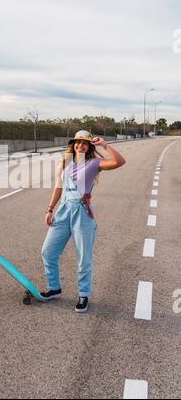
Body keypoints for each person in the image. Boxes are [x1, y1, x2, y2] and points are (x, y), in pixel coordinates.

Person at [40, 130, 126, 312]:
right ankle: (54, 287)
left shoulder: (95, 163)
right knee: (48, 251)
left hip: (82, 212)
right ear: (73, 144)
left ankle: (83, 295)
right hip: (63, 210)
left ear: (89, 147)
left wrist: (104, 145)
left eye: (85, 143)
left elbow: (120, 162)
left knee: (83, 258)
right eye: (78, 142)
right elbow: (58, 187)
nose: (80, 145)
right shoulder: (66, 162)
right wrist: (49, 209)